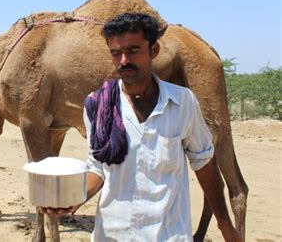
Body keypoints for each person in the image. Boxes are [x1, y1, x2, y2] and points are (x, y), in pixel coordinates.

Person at [41, 13, 242, 241]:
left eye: (133, 51)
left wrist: (225, 224)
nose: (124, 60)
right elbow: (98, 167)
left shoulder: (182, 102)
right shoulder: (98, 105)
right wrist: (74, 197)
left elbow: (204, 164)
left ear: (153, 51)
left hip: (169, 234)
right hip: (114, 234)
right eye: (116, 53)